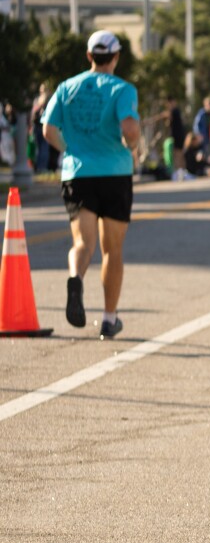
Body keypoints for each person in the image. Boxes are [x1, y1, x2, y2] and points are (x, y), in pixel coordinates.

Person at [41, 30, 141, 339]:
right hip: (114, 172)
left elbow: (47, 129)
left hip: (78, 173)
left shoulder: (66, 87)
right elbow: (128, 128)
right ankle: (109, 319)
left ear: (88, 56)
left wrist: (69, 149)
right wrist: (131, 143)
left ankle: (75, 277)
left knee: (82, 243)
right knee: (112, 250)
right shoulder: (122, 89)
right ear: (116, 57)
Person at [193, 97, 210, 164]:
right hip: (204, 136)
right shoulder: (201, 114)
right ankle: (204, 166)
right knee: (203, 151)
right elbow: (196, 125)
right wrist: (198, 134)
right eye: (208, 105)